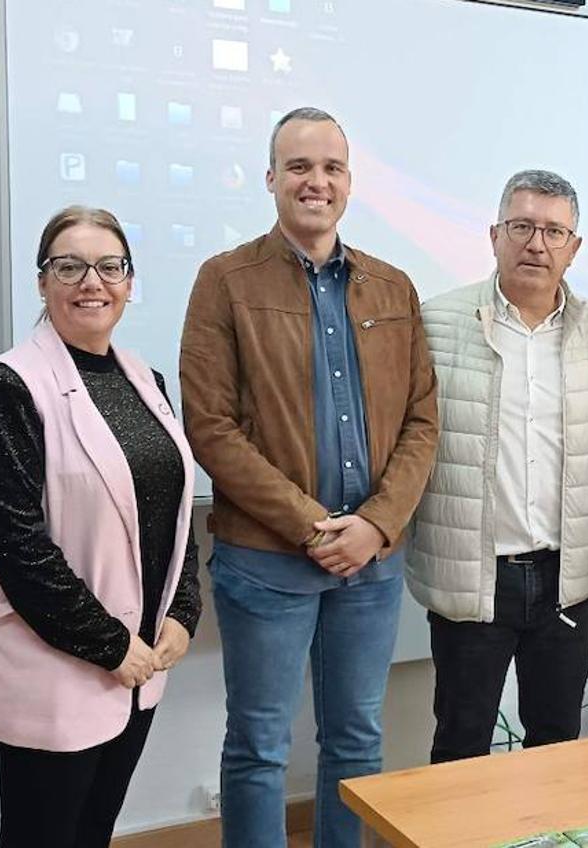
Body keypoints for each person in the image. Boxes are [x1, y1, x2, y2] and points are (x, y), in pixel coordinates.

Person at [180, 107, 438, 847]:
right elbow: (211, 426)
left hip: (372, 566)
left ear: (349, 182)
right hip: (266, 561)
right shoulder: (225, 281)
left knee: (356, 743)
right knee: (258, 746)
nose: (315, 181)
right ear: (271, 178)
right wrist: (312, 527)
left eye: (330, 167)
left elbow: (422, 419)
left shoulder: (392, 287)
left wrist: (376, 526)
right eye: (298, 166)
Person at [0, 206, 202, 847]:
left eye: (109, 267)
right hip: (58, 666)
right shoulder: (8, 387)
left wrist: (183, 609)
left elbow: (171, 507)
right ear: (43, 282)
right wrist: (111, 645)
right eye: (69, 267)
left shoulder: (145, 380)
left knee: (94, 831)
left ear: (129, 281)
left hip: (138, 665)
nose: (92, 282)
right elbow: (17, 547)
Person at [407, 170, 588, 763]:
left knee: (557, 744)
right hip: (474, 578)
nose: (536, 244)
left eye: (554, 231)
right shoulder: (436, 322)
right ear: (494, 235)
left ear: (574, 247)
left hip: (567, 579)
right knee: (461, 743)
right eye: (522, 226)